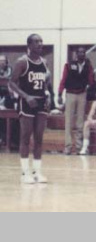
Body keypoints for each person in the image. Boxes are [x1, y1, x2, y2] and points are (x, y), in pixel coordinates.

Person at [8, 34, 51, 183]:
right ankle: (25, 173)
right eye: (37, 42)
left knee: (39, 138)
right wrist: (26, 96)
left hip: (41, 102)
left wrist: (47, 94)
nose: (40, 44)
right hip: (26, 102)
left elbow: (45, 82)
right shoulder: (22, 62)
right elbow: (11, 83)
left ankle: (37, 172)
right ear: (29, 45)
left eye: (41, 41)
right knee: (25, 137)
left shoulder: (44, 62)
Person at [58, 47, 95, 154]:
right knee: (68, 121)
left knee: (80, 122)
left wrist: (89, 86)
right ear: (76, 54)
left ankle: (79, 147)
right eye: (79, 52)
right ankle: (68, 146)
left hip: (82, 94)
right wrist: (60, 94)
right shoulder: (68, 65)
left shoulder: (88, 66)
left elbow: (91, 81)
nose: (81, 54)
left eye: (83, 52)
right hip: (70, 94)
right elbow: (63, 80)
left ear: (85, 54)